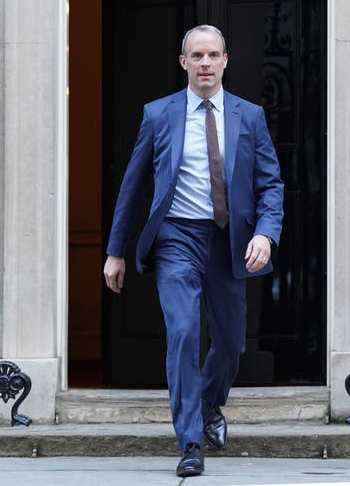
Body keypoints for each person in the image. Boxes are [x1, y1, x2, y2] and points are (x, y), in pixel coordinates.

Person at [103, 24, 284, 477]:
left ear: (226, 61)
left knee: (230, 341)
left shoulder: (251, 116)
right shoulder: (158, 114)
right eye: (196, 56)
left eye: (213, 55)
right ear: (183, 63)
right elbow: (132, 185)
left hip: (230, 241)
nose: (205, 63)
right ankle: (189, 442)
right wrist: (115, 250)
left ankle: (208, 404)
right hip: (176, 238)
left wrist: (266, 233)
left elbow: (271, 184)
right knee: (183, 332)